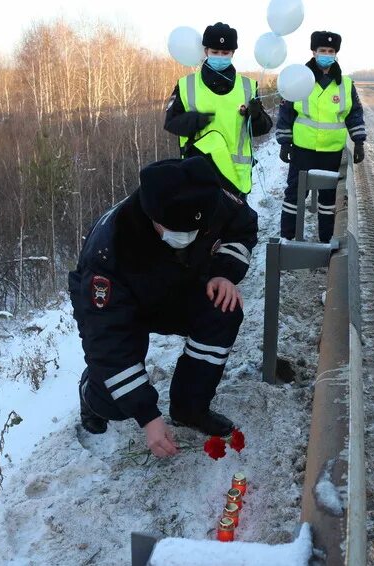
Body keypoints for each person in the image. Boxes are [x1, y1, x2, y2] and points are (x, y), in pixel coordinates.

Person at [68, 157, 258, 459]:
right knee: (116, 398)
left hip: (179, 286)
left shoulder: (211, 199)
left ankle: (189, 408)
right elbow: (108, 340)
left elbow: (243, 226)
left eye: (195, 231)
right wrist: (148, 417)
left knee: (223, 309)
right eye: (172, 230)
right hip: (122, 305)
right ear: (151, 214)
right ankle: (91, 393)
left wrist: (224, 272)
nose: (184, 238)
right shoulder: (110, 250)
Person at [164, 22, 273, 199]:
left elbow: (264, 127)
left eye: (225, 53)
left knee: (235, 227)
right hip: (199, 174)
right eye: (215, 52)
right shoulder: (186, 85)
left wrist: (256, 116)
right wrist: (195, 120)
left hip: (235, 178)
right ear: (206, 51)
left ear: (232, 54)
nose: (220, 57)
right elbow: (171, 123)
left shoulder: (248, 86)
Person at [276, 30, 367, 242]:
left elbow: (354, 114)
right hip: (302, 150)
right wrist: (284, 142)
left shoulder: (345, 84)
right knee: (294, 195)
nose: (327, 54)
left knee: (328, 200)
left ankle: (327, 242)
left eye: (331, 51)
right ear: (313, 52)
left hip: (331, 152)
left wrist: (359, 141)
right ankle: (287, 240)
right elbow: (286, 112)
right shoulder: (299, 79)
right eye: (322, 50)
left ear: (336, 54)